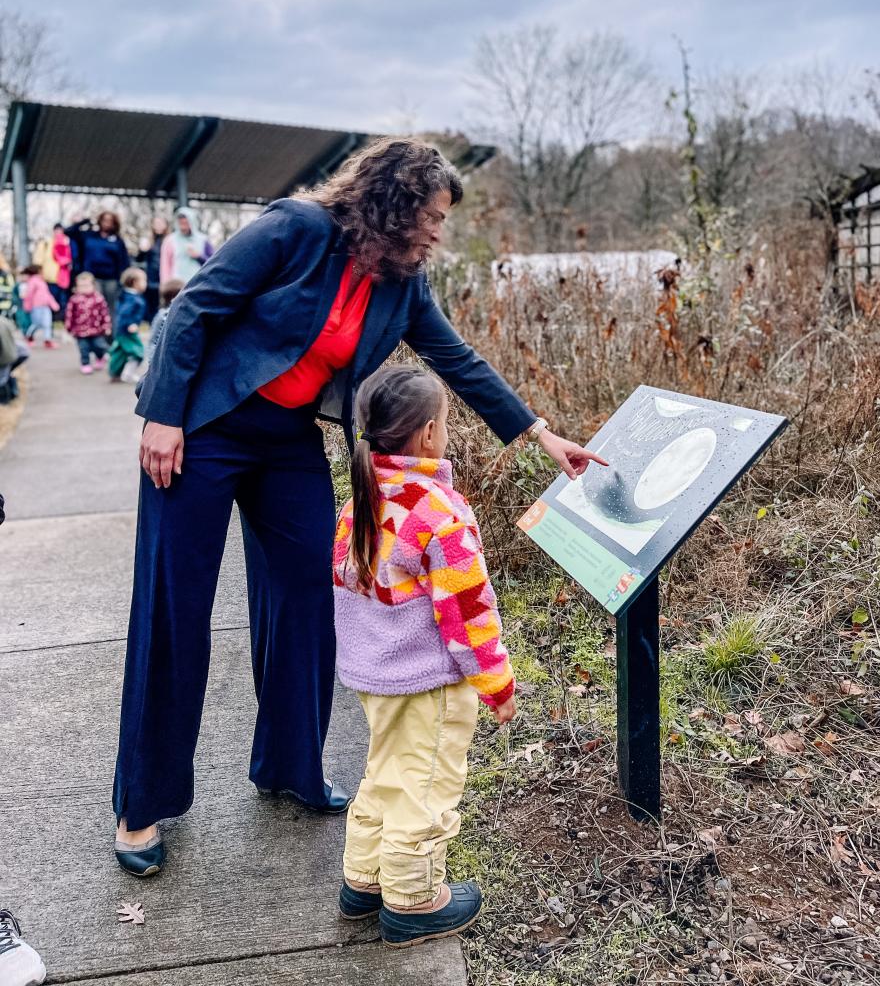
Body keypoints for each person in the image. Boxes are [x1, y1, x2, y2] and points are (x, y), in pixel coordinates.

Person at [113, 139, 604, 879]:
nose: (439, 232)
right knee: (175, 610)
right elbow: (195, 309)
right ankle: (141, 805)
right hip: (206, 426)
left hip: (286, 442)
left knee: (313, 594)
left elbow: (457, 360)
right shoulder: (295, 229)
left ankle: (289, 767)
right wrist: (162, 415)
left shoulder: (404, 283)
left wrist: (541, 435)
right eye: (433, 217)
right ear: (396, 201)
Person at [335, 366, 514, 946]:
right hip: (427, 679)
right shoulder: (439, 510)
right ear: (430, 433)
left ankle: (363, 881)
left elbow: (345, 582)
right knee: (427, 785)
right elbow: (468, 608)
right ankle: (414, 902)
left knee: (385, 773)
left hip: (375, 672)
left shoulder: (361, 497)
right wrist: (496, 682)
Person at [65, 212, 129, 329]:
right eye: (104, 220)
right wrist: (85, 220)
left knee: (110, 309)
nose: (107, 223)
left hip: (111, 280)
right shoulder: (89, 235)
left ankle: (110, 340)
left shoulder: (118, 241)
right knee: (92, 308)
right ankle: (92, 337)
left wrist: (122, 281)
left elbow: (124, 262)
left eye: (110, 221)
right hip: (92, 278)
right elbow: (68, 232)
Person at [65, 272, 112, 373]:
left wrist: (106, 326)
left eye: (86, 285)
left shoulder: (99, 298)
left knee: (99, 346)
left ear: (93, 286)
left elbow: (105, 313)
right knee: (83, 348)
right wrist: (69, 328)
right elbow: (69, 314)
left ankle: (100, 357)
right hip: (80, 331)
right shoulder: (74, 299)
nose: (84, 288)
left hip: (96, 330)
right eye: (81, 286)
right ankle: (85, 363)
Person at [107, 268, 147, 383]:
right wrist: (130, 324)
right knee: (137, 352)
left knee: (120, 353)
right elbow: (124, 312)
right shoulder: (132, 299)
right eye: (144, 280)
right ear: (135, 282)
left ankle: (115, 374)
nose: (146, 284)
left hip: (121, 331)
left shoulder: (125, 295)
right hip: (127, 331)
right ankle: (128, 374)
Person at [159, 207, 212, 286]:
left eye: (186, 223)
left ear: (192, 222)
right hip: (177, 285)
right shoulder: (169, 240)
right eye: (180, 223)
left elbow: (212, 262)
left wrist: (199, 256)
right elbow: (165, 266)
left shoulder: (203, 240)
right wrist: (165, 286)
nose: (183, 227)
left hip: (198, 284)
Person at [136, 217, 169, 322]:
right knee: (151, 308)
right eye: (156, 223)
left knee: (165, 306)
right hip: (151, 280)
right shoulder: (148, 241)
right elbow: (139, 259)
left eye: (161, 223)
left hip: (166, 279)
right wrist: (142, 250)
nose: (158, 225)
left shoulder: (169, 240)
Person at [145, 278, 183, 366]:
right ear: (174, 297)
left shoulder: (180, 315)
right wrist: (152, 361)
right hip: (161, 362)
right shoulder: (163, 315)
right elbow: (153, 340)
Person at [20, 266, 59, 349]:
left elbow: (47, 294)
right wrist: (27, 306)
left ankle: (47, 340)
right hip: (36, 306)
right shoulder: (32, 281)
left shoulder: (42, 281)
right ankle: (29, 337)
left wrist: (54, 304)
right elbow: (29, 295)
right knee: (36, 324)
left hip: (46, 306)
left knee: (47, 323)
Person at [0, 315, 29, 403]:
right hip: (18, 352)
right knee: (6, 374)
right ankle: (13, 393)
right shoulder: (3, 320)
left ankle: (5, 400)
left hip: (6, 356)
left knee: (2, 379)